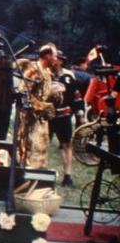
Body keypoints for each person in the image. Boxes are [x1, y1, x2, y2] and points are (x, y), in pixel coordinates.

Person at [17, 44, 62, 169]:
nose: (56, 59)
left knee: (41, 147)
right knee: (28, 147)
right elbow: (24, 91)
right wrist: (41, 106)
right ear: (47, 56)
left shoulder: (47, 71)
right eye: (54, 56)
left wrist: (54, 94)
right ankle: (23, 174)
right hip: (29, 117)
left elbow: (43, 92)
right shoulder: (33, 69)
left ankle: (37, 175)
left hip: (41, 119)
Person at [49, 51, 85, 187]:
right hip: (46, 116)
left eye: (55, 58)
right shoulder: (44, 74)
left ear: (61, 61)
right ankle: (39, 173)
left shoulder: (69, 76)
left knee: (66, 144)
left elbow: (77, 97)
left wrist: (80, 114)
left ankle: (67, 176)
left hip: (63, 116)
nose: (53, 60)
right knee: (42, 143)